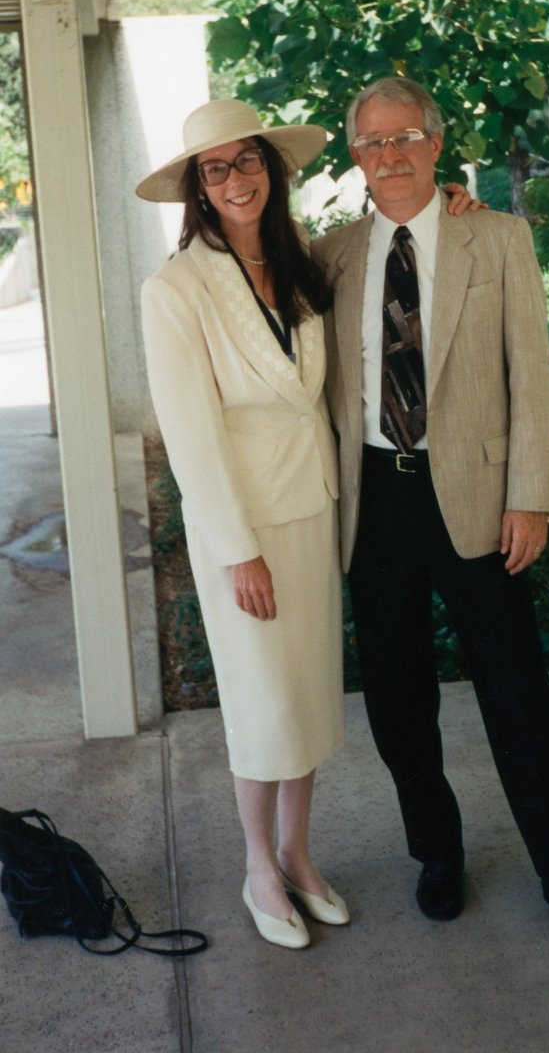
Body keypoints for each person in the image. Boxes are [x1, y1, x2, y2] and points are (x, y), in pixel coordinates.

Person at [315, 77, 549, 948]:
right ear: (355, 157)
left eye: (405, 136)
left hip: (477, 499)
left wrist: (531, 495)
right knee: (400, 702)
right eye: (371, 142)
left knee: (517, 695)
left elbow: (534, 381)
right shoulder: (332, 256)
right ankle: (437, 857)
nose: (389, 154)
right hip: (375, 501)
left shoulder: (498, 237)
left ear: (437, 145)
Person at [137, 99, 348, 950]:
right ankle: (258, 865)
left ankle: (299, 855)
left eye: (247, 161)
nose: (235, 179)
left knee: (305, 697)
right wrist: (238, 552)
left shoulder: (300, 261)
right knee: (262, 705)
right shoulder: (176, 287)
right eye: (215, 169)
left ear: (272, 167)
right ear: (197, 186)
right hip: (248, 529)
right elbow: (190, 435)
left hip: (313, 507)